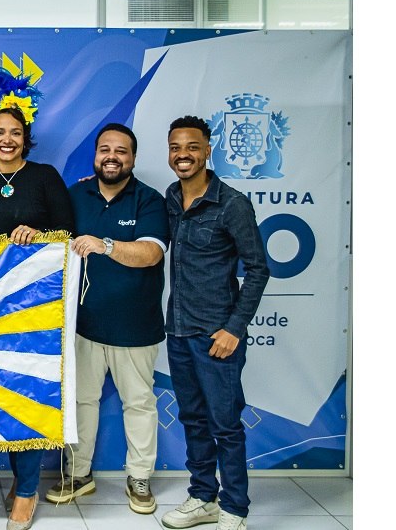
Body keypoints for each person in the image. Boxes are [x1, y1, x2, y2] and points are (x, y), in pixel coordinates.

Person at [47, 123, 168, 516]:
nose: (112, 157)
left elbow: (151, 254)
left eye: (121, 151)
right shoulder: (76, 194)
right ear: (95, 155)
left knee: (139, 403)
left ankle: (139, 478)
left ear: (133, 158)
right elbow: (53, 243)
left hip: (136, 326)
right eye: (105, 150)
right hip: (84, 325)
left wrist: (107, 246)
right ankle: (78, 474)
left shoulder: (149, 200)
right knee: (82, 401)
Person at [160, 116, 270, 530]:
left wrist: (234, 329)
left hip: (217, 335)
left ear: (208, 150)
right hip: (178, 331)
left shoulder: (232, 204)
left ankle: (235, 508)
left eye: (192, 147)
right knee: (193, 418)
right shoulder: (172, 197)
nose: (183, 155)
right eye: (175, 147)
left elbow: (258, 269)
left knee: (225, 425)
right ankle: (203, 496)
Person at [0, 106, 74, 530]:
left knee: (30, 394)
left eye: (15, 132)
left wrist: (40, 235)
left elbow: (68, 233)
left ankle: (28, 492)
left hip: (38, 308)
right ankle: (20, 479)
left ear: (25, 138)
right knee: (4, 397)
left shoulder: (45, 177)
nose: (7, 139)